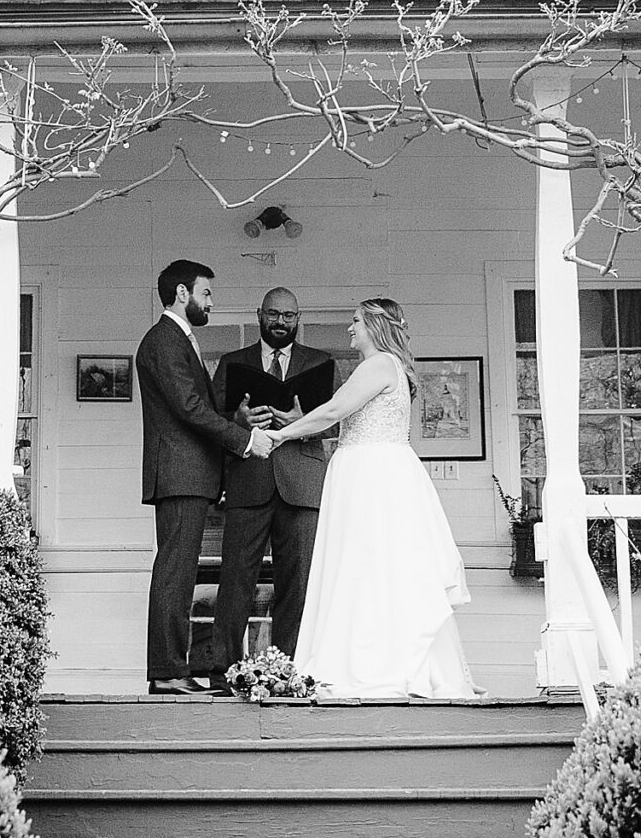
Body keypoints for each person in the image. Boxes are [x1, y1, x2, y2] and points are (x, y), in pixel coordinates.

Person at [263, 297, 477, 698]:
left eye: (356, 321)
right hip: (373, 469)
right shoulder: (389, 367)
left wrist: (280, 435)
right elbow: (347, 420)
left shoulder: (377, 365)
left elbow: (333, 411)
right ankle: (385, 656)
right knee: (375, 566)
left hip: (371, 476)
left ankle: (371, 663)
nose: (350, 328)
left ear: (376, 327)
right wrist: (302, 424)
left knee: (365, 564)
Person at [135, 258, 274, 696]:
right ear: (182, 293)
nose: (210, 301)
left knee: (180, 571)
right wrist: (245, 440)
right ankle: (167, 672)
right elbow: (189, 409)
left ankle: (172, 669)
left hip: (188, 474)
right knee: (175, 572)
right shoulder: (163, 340)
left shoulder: (179, 339)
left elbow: (197, 405)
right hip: (179, 474)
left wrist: (234, 417)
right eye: (206, 293)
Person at [213, 288, 337, 666]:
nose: (280, 321)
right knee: (235, 582)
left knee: (297, 585)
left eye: (288, 315)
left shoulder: (321, 362)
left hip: (301, 486)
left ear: (298, 318)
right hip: (247, 482)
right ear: (259, 315)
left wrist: (302, 424)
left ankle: (288, 669)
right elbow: (212, 421)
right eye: (272, 314)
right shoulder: (233, 362)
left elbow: (335, 423)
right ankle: (224, 669)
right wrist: (236, 422)